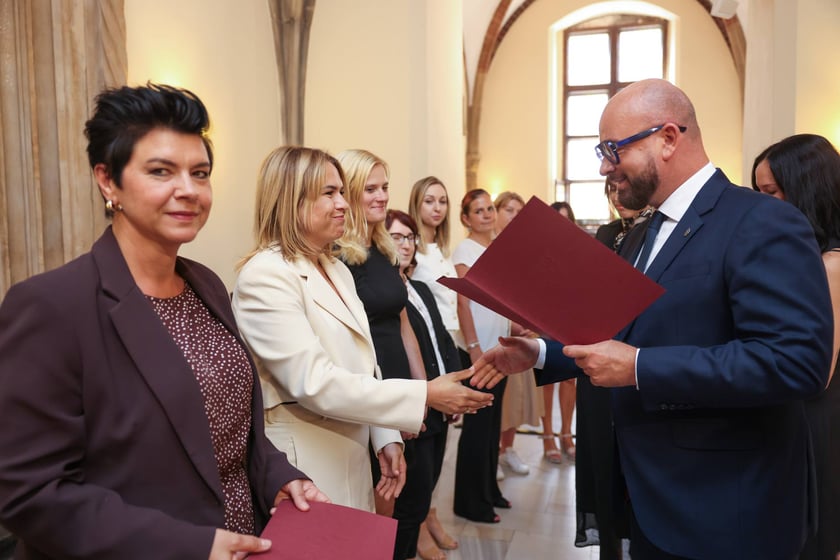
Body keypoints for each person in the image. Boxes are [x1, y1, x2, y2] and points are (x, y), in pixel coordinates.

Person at [474, 78, 833, 559]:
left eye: (613, 149)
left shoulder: (762, 221)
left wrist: (640, 367)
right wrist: (539, 353)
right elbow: (619, 332)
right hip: (649, 499)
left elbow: (795, 362)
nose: (605, 167)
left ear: (667, 138)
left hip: (727, 508)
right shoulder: (644, 232)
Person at [0, 84, 330, 560]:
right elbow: (30, 493)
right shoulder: (52, 305)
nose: (188, 190)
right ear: (108, 181)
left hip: (247, 541)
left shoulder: (206, 285)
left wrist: (278, 476)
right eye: (161, 171)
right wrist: (189, 545)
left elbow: (233, 431)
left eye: (200, 173)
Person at [231, 148, 493, 555]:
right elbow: (315, 382)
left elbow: (365, 364)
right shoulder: (266, 275)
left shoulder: (335, 268)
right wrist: (425, 393)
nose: (343, 203)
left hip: (350, 446)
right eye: (329, 193)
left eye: (341, 191)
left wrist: (385, 438)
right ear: (292, 199)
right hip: (305, 460)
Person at [335, 149, 485, 560]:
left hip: (405, 384)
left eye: (385, 187)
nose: (382, 196)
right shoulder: (337, 256)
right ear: (349, 192)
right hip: (371, 388)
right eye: (371, 188)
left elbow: (404, 325)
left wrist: (423, 392)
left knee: (414, 497)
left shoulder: (385, 249)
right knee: (384, 505)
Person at [751, 133, 840, 560]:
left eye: (770, 192)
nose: (763, 204)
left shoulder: (831, 264)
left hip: (816, 424)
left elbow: (817, 370)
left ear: (807, 188)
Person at [386, 209, 463, 560]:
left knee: (429, 483)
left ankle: (420, 530)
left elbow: (441, 339)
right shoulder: (385, 299)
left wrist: (454, 387)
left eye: (410, 237)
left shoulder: (420, 289)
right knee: (411, 499)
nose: (405, 244)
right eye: (396, 237)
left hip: (439, 400)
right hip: (415, 405)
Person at [407, 176, 461, 555]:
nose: (437, 208)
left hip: (448, 345)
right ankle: (422, 518)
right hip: (426, 349)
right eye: (429, 201)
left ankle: (432, 513)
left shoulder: (442, 252)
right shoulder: (413, 253)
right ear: (417, 204)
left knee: (447, 441)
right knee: (429, 443)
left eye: (442, 201)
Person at [452, 188, 510, 524]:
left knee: (491, 427)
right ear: (466, 219)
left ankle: (490, 490)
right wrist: (474, 347)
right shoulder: (465, 249)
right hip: (478, 352)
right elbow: (464, 301)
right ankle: (470, 503)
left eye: (490, 208)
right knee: (477, 428)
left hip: (498, 349)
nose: (487, 214)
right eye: (479, 210)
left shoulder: (496, 248)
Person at [493, 191, 544, 477]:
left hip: (526, 333)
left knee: (518, 396)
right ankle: (492, 453)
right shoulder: (487, 248)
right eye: (509, 210)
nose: (515, 216)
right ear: (496, 212)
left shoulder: (525, 249)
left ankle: (507, 449)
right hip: (499, 333)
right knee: (501, 399)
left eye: (519, 211)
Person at [543, 201, 578, 462]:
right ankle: (547, 436)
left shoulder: (579, 251)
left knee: (569, 379)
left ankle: (566, 433)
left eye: (567, 219)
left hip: (570, 318)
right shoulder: (540, 251)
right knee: (547, 380)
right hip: (544, 319)